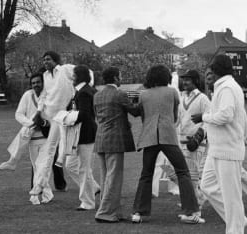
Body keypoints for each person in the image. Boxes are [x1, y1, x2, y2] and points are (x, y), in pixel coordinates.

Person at [131, 65, 204, 224]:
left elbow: (143, 116)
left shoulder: (144, 95)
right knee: (183, 172)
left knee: (146, 174)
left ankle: (139, 213)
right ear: (166, 77)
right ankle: (190, 212)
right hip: (168, 136)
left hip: (149, 137)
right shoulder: (172, 92)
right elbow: (174, 116)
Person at [194, 54, 247, 234]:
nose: (208, 71)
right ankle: (239, 220)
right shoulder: (223, 87)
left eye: (210, 68)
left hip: (228, 150)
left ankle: (235, 229)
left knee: (231, 196)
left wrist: (203, 117)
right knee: (207, 186)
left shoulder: (226, 88)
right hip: (217, 149)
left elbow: (226, 116)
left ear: (217, 69)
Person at [30, 51, 92, 197]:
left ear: (56, 60)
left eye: (48, 59)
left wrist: (84, 88)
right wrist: (39, 112)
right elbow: (44, 95)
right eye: (44, 60)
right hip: (53, 118)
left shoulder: (65, 69)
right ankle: (39, 184)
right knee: (49, 150)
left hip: (68, 116)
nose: (46, 62)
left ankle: (92, 188)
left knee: (72, 155)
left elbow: (88, 72)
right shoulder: (45, 75)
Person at [0, 71, 67, 192]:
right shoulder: (28, 95)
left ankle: (60, 184)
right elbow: (18, 114)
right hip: (32, 132)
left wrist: (43, 123)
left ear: (43, 83)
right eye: (33, 83)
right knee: (36, 161)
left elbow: (56, 115)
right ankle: (35, 185)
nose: (36, 85)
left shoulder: (50, 95)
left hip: (49, 132)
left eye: (38, 82)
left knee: (52, 159)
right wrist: (31, 123)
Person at [94, 66, 140, 223]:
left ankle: (114, 211)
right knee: (114, 177)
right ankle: (105, 213)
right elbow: (135, 111)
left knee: (105, 176)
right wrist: (143, 100)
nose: (121, 79)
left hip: (100, 139)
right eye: (120, 76)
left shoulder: (97, 95)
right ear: (115, 78)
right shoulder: (119, 94)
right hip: (114, 140)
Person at [64, 65, 100, 210]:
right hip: (80, 133)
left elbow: (84, 114)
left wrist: (67, 117)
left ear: (79, 76)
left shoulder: (85, 92)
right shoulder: (82, 91)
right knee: (71, 165)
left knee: (83, 168)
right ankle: (95, 188)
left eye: (73, 75)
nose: (71, 77)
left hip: (85, 133)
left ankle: (88, 202)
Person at [178, 70, 210, 207]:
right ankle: (197, 197)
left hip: (197, 141)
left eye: (188, 80)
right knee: (177, 171)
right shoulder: (182, 97)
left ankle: (195, 203)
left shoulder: (203, 98)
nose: (184, 82)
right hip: (182, 139)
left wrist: (199, 136)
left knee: (193, 173)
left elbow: (208, 119)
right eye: (183, 79)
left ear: (196, 81)